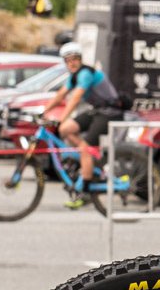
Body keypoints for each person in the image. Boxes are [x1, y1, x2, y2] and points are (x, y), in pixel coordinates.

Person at [40, 42, 121, 209]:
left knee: (84, 148)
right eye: (68, 60)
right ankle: (87, 158)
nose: (72, 63)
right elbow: (60, 95)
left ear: (80, 59)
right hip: (98, 110)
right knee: (65, 130)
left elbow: (75, 98)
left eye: (75, 59)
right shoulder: (74, 76)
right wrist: (43, 112)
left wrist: (62, 117)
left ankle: (84, 191)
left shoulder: (85, 74)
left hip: (110, 112)